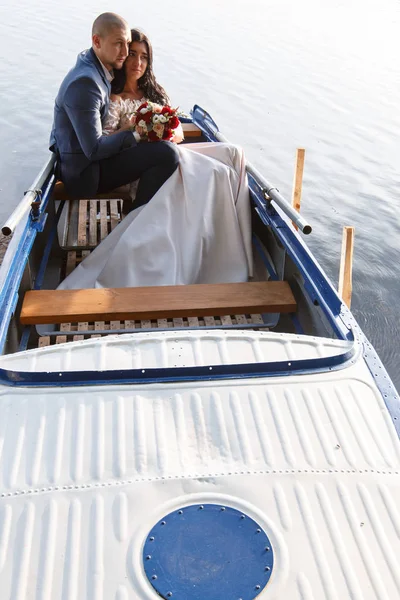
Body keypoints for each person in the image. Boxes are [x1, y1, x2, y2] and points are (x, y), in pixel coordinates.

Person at [59, 30, 254, 290]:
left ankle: (223, 241)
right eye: (133, 55)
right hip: (139, 160)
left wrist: (167, 130)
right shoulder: (113, 96)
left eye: (145, 57)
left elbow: (179, 131)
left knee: (232, 154)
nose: (138, 63)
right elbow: (104, 143)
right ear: (124, 56)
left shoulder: (154, 93)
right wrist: (134, 130)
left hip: (166, 152)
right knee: (214, 173)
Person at [49, 13, 179, 206]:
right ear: (96, 41)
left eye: (127, 43)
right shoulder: (85, 83)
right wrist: (134, 132)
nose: (125, 52)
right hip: (85, 174)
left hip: (90, 162)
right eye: (119, 43)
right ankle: (138, 217)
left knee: (163, 150)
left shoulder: (94, 67)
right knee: (167, 153)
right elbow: (94, 149)